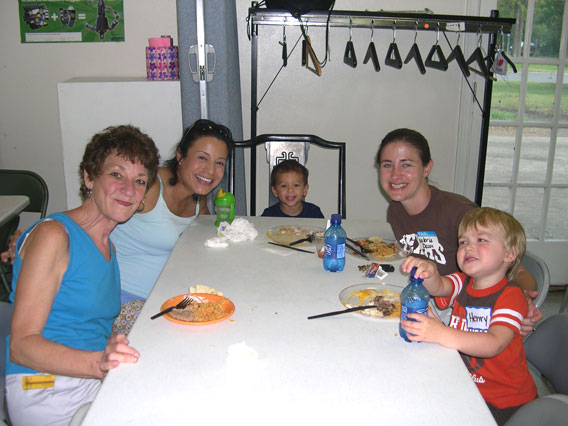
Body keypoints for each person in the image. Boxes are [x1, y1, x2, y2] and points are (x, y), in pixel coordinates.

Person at [5, 125, 159, 426]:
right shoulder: (54, 235)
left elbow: (89, 325)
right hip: (43, 386)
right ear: (89, 178)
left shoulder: (108, 247)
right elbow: (20, 346)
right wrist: (99, 363)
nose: (129, 190)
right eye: (117, 175)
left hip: (88, 378)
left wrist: (113, 347)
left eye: (139, 181)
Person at [376, 128, 542, 334]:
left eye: (406, 164)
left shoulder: (460, 213)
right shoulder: (395, 210)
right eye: (387, 165)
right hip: (428, 299)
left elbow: (518, 271)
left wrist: (524, 300)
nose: (395, 174)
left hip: (464, 316)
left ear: (427, 168)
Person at [400, 207, 537, 426]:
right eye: (463, 242)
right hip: (465, 382)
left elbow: (494, 343)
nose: (468, 247)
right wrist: (429, 271)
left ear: (509, 254)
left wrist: (441, 333)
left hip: (503, 403)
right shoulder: (463, 281)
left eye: (481, 240)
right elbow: (439, 286)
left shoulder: (511, 295)